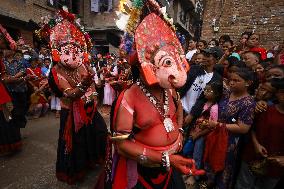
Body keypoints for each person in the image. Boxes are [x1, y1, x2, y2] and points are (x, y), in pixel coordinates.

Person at [97, 3, 204, 188]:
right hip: (142, 172)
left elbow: (177, 110)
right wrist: (165, 158)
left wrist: (178, 132)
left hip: (169, 168)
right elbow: (122, 146)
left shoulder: (170, 89)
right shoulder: (129, 98)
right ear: (142, 65)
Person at [38, 9, 108, 184]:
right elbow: (71, 95)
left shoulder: (83, 66)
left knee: (99, 132)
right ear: (57, 53)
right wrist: (85, 85)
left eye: (76, 51)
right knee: (75, 143)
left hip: (90, 109)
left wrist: (93, 88)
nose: (73, 56)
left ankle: (93, 161)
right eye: (68, 52)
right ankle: (75, 172)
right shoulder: (55, 72)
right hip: (71, 113)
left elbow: (93, 87)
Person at [203, 68, 256, 189]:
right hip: (216, 135)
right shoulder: (227, 93)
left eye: (236, 80)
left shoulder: (248, 103)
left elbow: (243, 128)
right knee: (211, 160)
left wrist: (218, 125)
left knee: (224, 165)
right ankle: (209, 182)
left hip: (230, 142)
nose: (232, 83)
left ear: (248, 83)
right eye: (231, 80)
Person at [235, 78, 284, 189]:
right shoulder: (264, 109)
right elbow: (252, 128)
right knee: (243, 184)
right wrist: (256, 144)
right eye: (282, 92)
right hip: (252, 155)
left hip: (276, 166)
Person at [183, 82, 223, 188]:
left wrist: (198, 134)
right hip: (195, 132)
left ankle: (194, 177)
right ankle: (189, 172)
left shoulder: (214, 108)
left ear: (217, 94)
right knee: (190, 154)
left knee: (197, 156)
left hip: (202, 136)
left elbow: (211, 126)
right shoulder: (204, 104)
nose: (205, 92)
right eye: (205, 90)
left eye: (209, 91)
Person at [0, 24, 23, 155]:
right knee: (5, 117)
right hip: (2, 90)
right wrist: (14, 79)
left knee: (7, 116)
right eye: (3, 40)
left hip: (4, 89)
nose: (5, 43)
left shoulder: (2, 57)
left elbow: (3, 76)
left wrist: (12, 78)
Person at [180, 47, 223, 117]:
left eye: (208, 55)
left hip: (196, 114)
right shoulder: (194, 69)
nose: (204, 57)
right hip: (180, 107)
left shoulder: (217, 78)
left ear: (216, 59)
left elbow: (205, 99)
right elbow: (182, 86)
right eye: (204, 54)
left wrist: (192, 115)